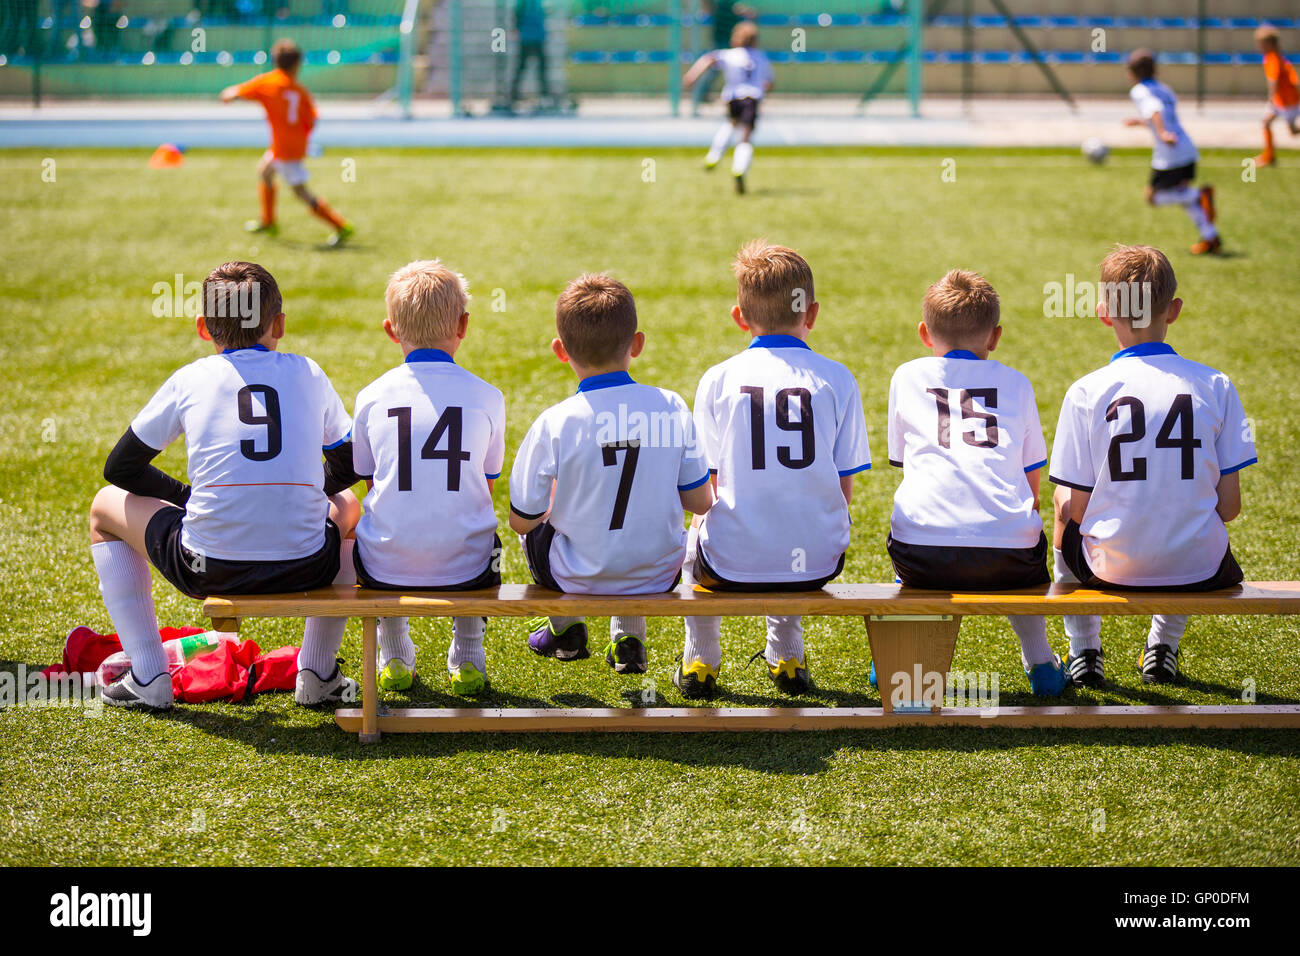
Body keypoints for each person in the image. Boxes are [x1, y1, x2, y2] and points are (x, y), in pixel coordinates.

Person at [87, 261, 361, 709]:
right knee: (348, 506)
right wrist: (315, 490)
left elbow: (121, 467)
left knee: (103, 508)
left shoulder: (191, 378)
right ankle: (317, 672)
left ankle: (149, 674)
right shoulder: (308, 372)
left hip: (207, 566)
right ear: (279, 325)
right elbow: (352, 460)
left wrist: (184, 497)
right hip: (308, 564)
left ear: (202, 328)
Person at [1049, 245, 1257, 686]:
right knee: (1187, 503)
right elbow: (1230, 507)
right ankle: (1162, 647)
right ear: (1174, 310)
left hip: (1110, 567)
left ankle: (1084, 650)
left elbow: (1077, 510)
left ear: (1105, 314)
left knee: (1061, 499)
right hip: (1201, 569)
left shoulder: (1086, 392)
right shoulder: (1216, 384)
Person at [678, 241, 871, 699]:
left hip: (730, 563)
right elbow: (843, 490)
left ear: (740, 317)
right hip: (818, 561)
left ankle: (701, 660)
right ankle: (786, 652)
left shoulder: (718, 378)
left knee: (693, 541)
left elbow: (705, 487)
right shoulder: (837, 377)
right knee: (796, 513)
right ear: (812, 312)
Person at [509, 274, 713, 675]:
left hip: (576, 575)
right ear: (636, 344)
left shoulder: (556, 421)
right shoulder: (671, 406)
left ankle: (565, 628)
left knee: (539, 511)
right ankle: (628, 638)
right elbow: (700, 502)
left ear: (560, 351)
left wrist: (555, 506)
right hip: (659, 573)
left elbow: (522, 520)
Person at [885, 269, 1067, 696]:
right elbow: (1032, 484)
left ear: (924, 334)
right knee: (1021, 547)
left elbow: (905, 463)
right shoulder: (1017, 382)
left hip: (921, 552)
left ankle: (900, 662)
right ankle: (1040, 662)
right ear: (995, 336)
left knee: (914, 526)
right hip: (1009, 557)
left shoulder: (907, 376)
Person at [336, 260, 507, 697]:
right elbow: (484, 487)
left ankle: (393, 656)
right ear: (463, 325)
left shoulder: (372, 395)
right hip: (467, 567)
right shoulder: (488, 395)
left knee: (365, 525)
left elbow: (369, 480)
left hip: (386, 566)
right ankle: (468, 656)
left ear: (391, 330)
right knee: (483, 530)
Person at [220, 39, 353, 247]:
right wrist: (301, 136)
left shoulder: (268, 82)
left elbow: (236, 92)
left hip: (284, 151)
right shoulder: (299, 91)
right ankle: (269, 221)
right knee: (265, 172)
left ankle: (340, 226)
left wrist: (230, 96)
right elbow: (312, 119)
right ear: (297, 64)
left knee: (301, 192)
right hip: (290, 146)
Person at [1122, 48, 1220, 255]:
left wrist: (1162, 133)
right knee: (1182, 197)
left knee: (1153, 197)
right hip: (1185, 147)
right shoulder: (1164, 88)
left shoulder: (1139, 90)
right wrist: (1142, 123)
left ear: (1132, 72)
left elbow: (1155, 109)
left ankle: (1199, 194)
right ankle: (1210, 237)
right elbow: (1164, 113)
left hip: (1170, 151)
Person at [683, 21, 773, 194]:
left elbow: (708, 59)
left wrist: (692, 76)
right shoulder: (760, 57)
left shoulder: (729, 54)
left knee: (731, 123)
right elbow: (770, 81)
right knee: (745, 136)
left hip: (733, 98)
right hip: (752, 98)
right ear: (755, 40)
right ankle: (739, 168)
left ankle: (714, 156)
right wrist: (764, 88)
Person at [1253, 24, 1298, 167]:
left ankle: (1269, 156)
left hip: (1285, 100)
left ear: (1269, 44)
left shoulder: (1273, 58)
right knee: (1267, 123)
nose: (1259, 46)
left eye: (1261, 44)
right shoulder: (1277, 57)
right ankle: (1269, 156)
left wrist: (1270, 98)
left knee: (1291, 131)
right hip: (1285, 100)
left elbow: (1274, 80)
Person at [509, 0, 550, 108]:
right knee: (523, 66)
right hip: (528, 36)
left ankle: (544, 95)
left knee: (540, 68)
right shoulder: (524, 3)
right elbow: (517, 13)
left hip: (536, 35)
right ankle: (514, 94)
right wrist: (516, 28)